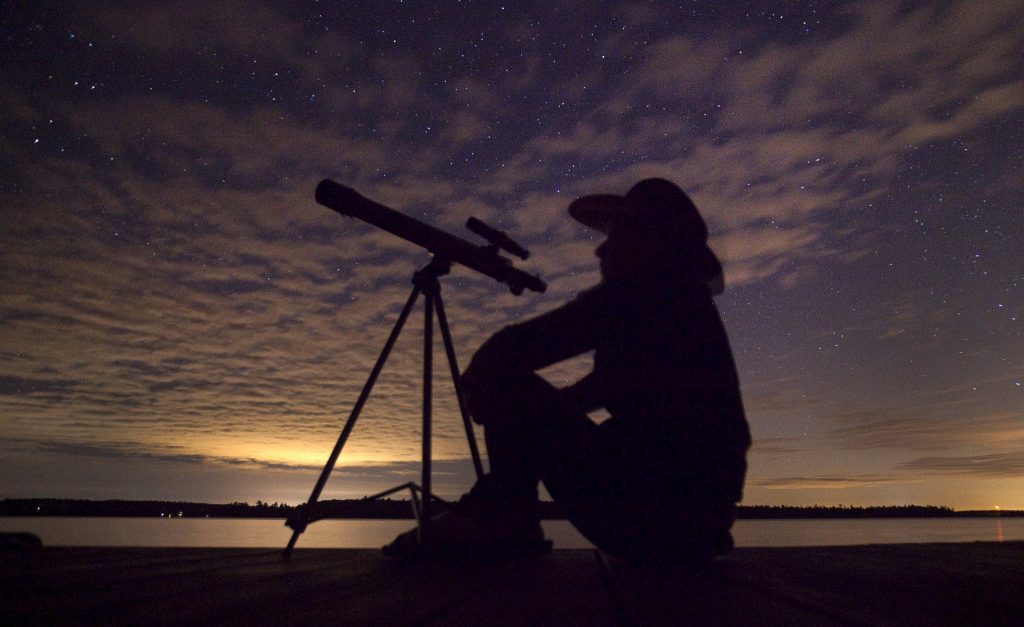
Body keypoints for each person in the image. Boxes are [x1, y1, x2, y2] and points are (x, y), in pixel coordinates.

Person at [384, 178, 751, 565]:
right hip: (695, 529)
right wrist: (531, 422)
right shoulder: (681, 310)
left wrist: (501, 401)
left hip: (655, 521)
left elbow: (505, 352)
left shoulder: (647, 294)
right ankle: (507, 513)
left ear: (649, 241)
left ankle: (506, 517)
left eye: (619, 235)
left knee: (505, 377)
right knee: (519, 398)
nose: (602, 248)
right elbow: (601, 391)